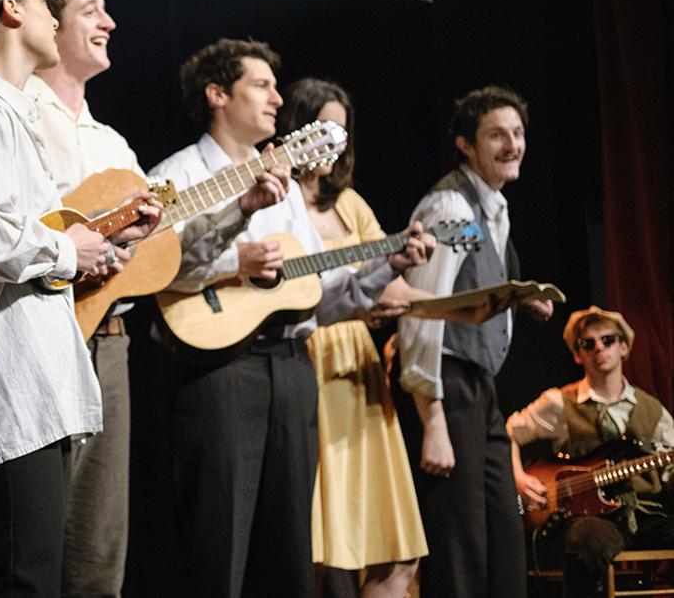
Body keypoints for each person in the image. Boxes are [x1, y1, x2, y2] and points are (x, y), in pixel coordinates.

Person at [148, 39, 430, 598]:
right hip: (220, 369)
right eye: (261, 86)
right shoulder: (174, 175)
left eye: (277, 87)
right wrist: (236, 254)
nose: (277, 98)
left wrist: (385, 268)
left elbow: (314, 296)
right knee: (218, 546)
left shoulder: (288, 188)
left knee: (289, 550)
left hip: (294, 368)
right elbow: (154, 269)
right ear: (217, 95)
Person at [0, 0, 158, 596]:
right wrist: (69, 249)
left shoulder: (4, 113)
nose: (52, 19)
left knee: (39, 576)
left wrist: (89, 244)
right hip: (8, 392)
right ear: (11, 11)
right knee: (23, 580)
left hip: (32, 390)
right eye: (43, 6)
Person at [396, 85, 555, 597]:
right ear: (466, 145)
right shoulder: (451, 207)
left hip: (480, 386)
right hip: (446, 383)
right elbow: (422, 311)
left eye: (518, 133)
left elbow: (474, 285)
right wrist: (433, 421)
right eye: (496, 135)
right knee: (460, 540)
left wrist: (519, 299)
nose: (512, 145)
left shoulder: (492, 207)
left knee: (504, 532)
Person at [278, 78, 429, 598]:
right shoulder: (278, 202)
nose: (335, 144)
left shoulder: (351, 204)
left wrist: (448, 302)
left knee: (394, 548)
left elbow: (393, 285)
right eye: (325, 130)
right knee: (321, 548)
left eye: (342, 133)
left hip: (357, 371)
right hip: (307, 358)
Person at [26, 0, 145, 598]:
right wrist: (83, 249)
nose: (110, 22)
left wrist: (131, 246)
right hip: (42, 338)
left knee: (100, 544)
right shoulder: (15, 114)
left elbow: (153, 244)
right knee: (38, 538)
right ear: (51, 23)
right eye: (91, 10)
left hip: (112, 342)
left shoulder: (113, 145)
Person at [507, 306, 673, 598]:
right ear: (577, 354)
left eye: (608, 340)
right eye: (587, 343)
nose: (599, 348)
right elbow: (507, 433)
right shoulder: (559, 402)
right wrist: (518, 478)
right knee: (586, 545)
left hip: (646, 513)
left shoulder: (653, 410)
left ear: (624, 347)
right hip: (593, 517)